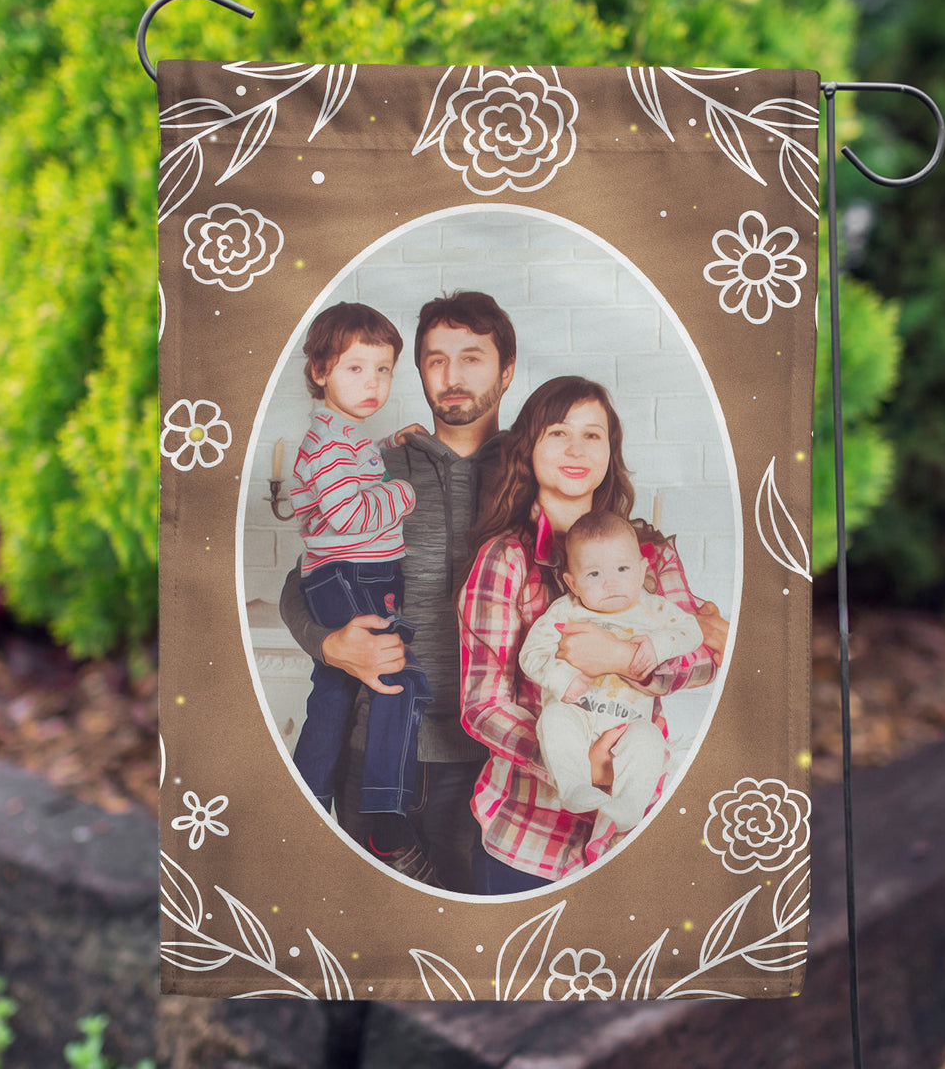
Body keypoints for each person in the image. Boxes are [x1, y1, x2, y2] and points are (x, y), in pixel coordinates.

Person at [281, 291, 516, 891]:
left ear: (506, 371)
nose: (453, 375)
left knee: (475, 957)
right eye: (436, 359)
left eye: (472, 357)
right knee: (370, 946)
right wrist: (329, 645)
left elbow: (600, 567)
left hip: (492, 763)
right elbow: (301, 581)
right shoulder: (378, 464)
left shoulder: (534, 470)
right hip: (376, 756)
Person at [459, 376, 727, 895]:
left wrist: (625, 658)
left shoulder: (648, 554)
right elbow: (482, 704)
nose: (577, 449)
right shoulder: (505, 558)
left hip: (635, 824)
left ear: (611, 449)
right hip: (527, 832)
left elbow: (701, 655)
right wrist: (576, 760)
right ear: (528, 448)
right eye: (558, 433)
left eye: (593, 435)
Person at [286, 302, 431, 867]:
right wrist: (405, 491)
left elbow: (355, 472)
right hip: (349, 576)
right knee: (397, 680)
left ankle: (307, 797)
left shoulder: (346, 437)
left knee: (335, 691)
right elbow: (349, 513)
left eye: (384, 369)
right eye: (355, 368)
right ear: (321, 371)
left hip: (351, 574)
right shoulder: (329, 443)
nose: (372, 382)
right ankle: (385, 817)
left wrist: (390, 448)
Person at [519, 509, 708, 832]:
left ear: (642, 569)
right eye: (594, 574)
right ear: (572, 583)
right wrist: (562, 679)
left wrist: (659, 645)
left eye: (623, 568)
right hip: (577, 716)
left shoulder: (654, 609)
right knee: (553, 721)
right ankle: (574, 787)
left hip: (629, 725)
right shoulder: (565, 611)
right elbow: (531, 654)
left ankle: (628, 806)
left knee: (649, 740)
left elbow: (693, 633)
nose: (611, 582)